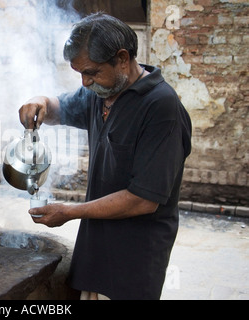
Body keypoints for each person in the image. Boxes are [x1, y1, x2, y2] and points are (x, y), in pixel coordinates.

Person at [19, 12, 192, 300]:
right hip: (95, 245)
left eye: (92, 72)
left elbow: (143, 199)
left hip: (135, 255)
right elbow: (59, 106)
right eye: (80, 74)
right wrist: (40, 102)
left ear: (122, 58)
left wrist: (69, 211)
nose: (85, 82)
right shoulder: (101, 92)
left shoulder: (161, 108)